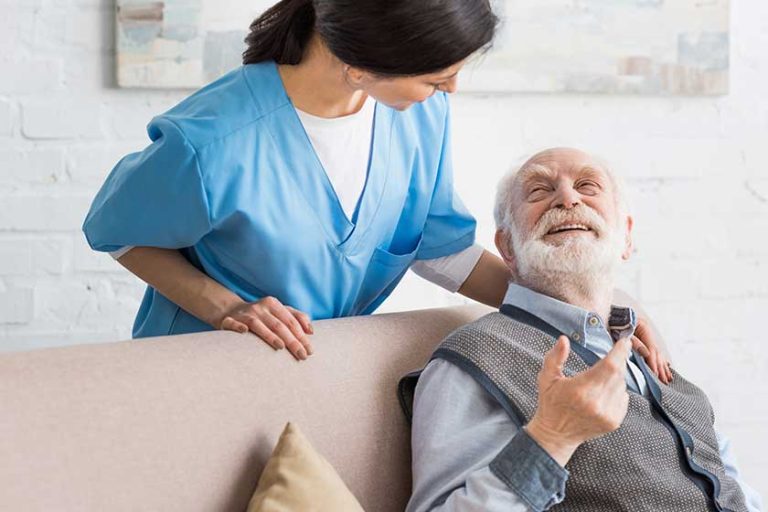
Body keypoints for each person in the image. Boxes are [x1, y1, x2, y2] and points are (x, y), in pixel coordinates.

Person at [82, 0, 667, 374]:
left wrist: (593, 314)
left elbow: (440, 249)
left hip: (319, 371)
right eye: (437, 77)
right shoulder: (210, 144)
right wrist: (229, 307)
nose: (453, 89)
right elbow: (116, 233)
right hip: (199, 367)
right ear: (357, 66)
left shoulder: (416, 114)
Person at [402, 148, 763, 512]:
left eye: (588, 185)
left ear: (626, 236)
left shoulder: (647, 356)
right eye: (539, 191)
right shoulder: (473, 360)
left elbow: (736, 492)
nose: (568, 198)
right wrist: (551, 438)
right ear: (507, 247)